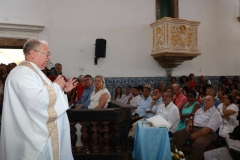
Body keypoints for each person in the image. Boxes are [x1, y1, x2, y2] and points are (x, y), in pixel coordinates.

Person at [0, 39, 77, 160]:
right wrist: (56, 86)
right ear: (33, 53)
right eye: (47, 53)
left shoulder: (33, 72)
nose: (49, 57)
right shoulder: (22, 73)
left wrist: (63, 90)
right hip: (35, 141)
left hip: (46, 137)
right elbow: (35, 101)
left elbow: (45, 95)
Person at [174, 95, 222, 160]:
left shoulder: (215, 113)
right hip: (193, 128)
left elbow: (209, 128)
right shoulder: (200, 110)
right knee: (177, 135)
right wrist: (188, 126)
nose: (205, 101)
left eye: (208, 100)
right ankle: (182, 156)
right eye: (205, 99)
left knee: (198, 144)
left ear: (214, 102)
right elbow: (192, 119)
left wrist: (198, 134)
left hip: (207, 133)